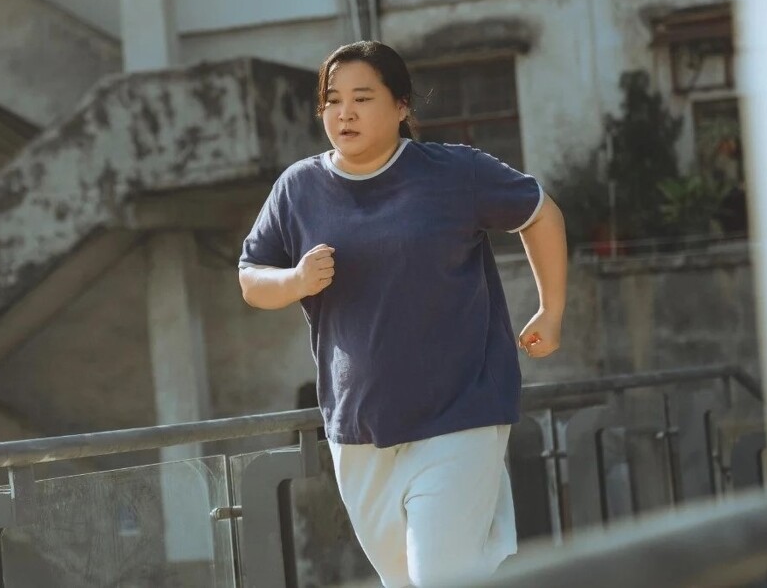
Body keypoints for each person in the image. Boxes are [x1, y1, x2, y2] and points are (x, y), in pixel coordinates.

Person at [237, 41, 567, 587]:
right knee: (404, 581)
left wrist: (551, 310)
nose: (344, 113)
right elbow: (251, 279)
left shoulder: (455, 172)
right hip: (358, 427)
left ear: (401, 105)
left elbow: (539, 211)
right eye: (332, 100)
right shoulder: (298, 188)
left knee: (438, 577)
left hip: (461, 414)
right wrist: (294, 281)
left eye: (362, 98)